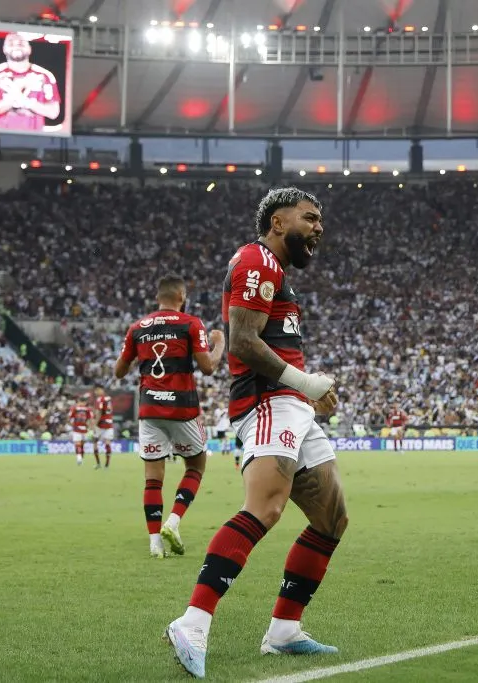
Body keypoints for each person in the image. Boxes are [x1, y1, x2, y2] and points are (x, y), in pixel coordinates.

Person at [164, 187, 347, 679]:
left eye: (320, 220)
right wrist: (304, 383)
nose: (318, 227)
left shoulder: (275, 270)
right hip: (267, 402)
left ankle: (284, 630)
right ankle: (192, 622)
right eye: (309, 217)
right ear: (277, 222)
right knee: (264, 508)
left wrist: (307, 392)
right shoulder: (256, 260)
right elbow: (242, 341)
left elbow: (271, 343)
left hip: (292, 405)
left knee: (331, 517)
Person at [115, 275, 225, 559]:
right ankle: (173, 522)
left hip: (149, 408)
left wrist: (139, 354)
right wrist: (219, 344)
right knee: (196, 466)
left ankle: (155, 543)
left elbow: (119, 371)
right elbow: (208, 367)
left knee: (153, 479)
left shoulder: (137, 328)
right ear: (181, 296)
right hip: (182, 408)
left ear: (157, 298)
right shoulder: (191, 323)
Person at [0, 33, 62, 131]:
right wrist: (16, 93)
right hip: (1, 135)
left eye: (21, 43)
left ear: (29, 48)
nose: (16, 47)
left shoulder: (45, 75)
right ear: (4, 49)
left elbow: (53, 113)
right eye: (11, 44)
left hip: (35, 135)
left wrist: (27, 102)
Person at [67, 399, 94, 466]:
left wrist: (70, 424)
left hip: (77, 428)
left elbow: (68, 417)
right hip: (84, 429)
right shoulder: (88, 409)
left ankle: (79, 457)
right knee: (81, 444)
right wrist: (91, 427)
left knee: (78, 444)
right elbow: (91, 419)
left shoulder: (74, 408)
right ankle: (80, 458)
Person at [93, 387, 114, 469]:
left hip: (101, 423)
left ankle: (98, 464)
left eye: (96, 390)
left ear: (100, 390)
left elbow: (99, 412)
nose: (95, 392)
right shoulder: (108, 398)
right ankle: (107, 465)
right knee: (107, 443)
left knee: (95, 442)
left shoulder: (100, 399)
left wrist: (95, 424)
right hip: (109, 422)